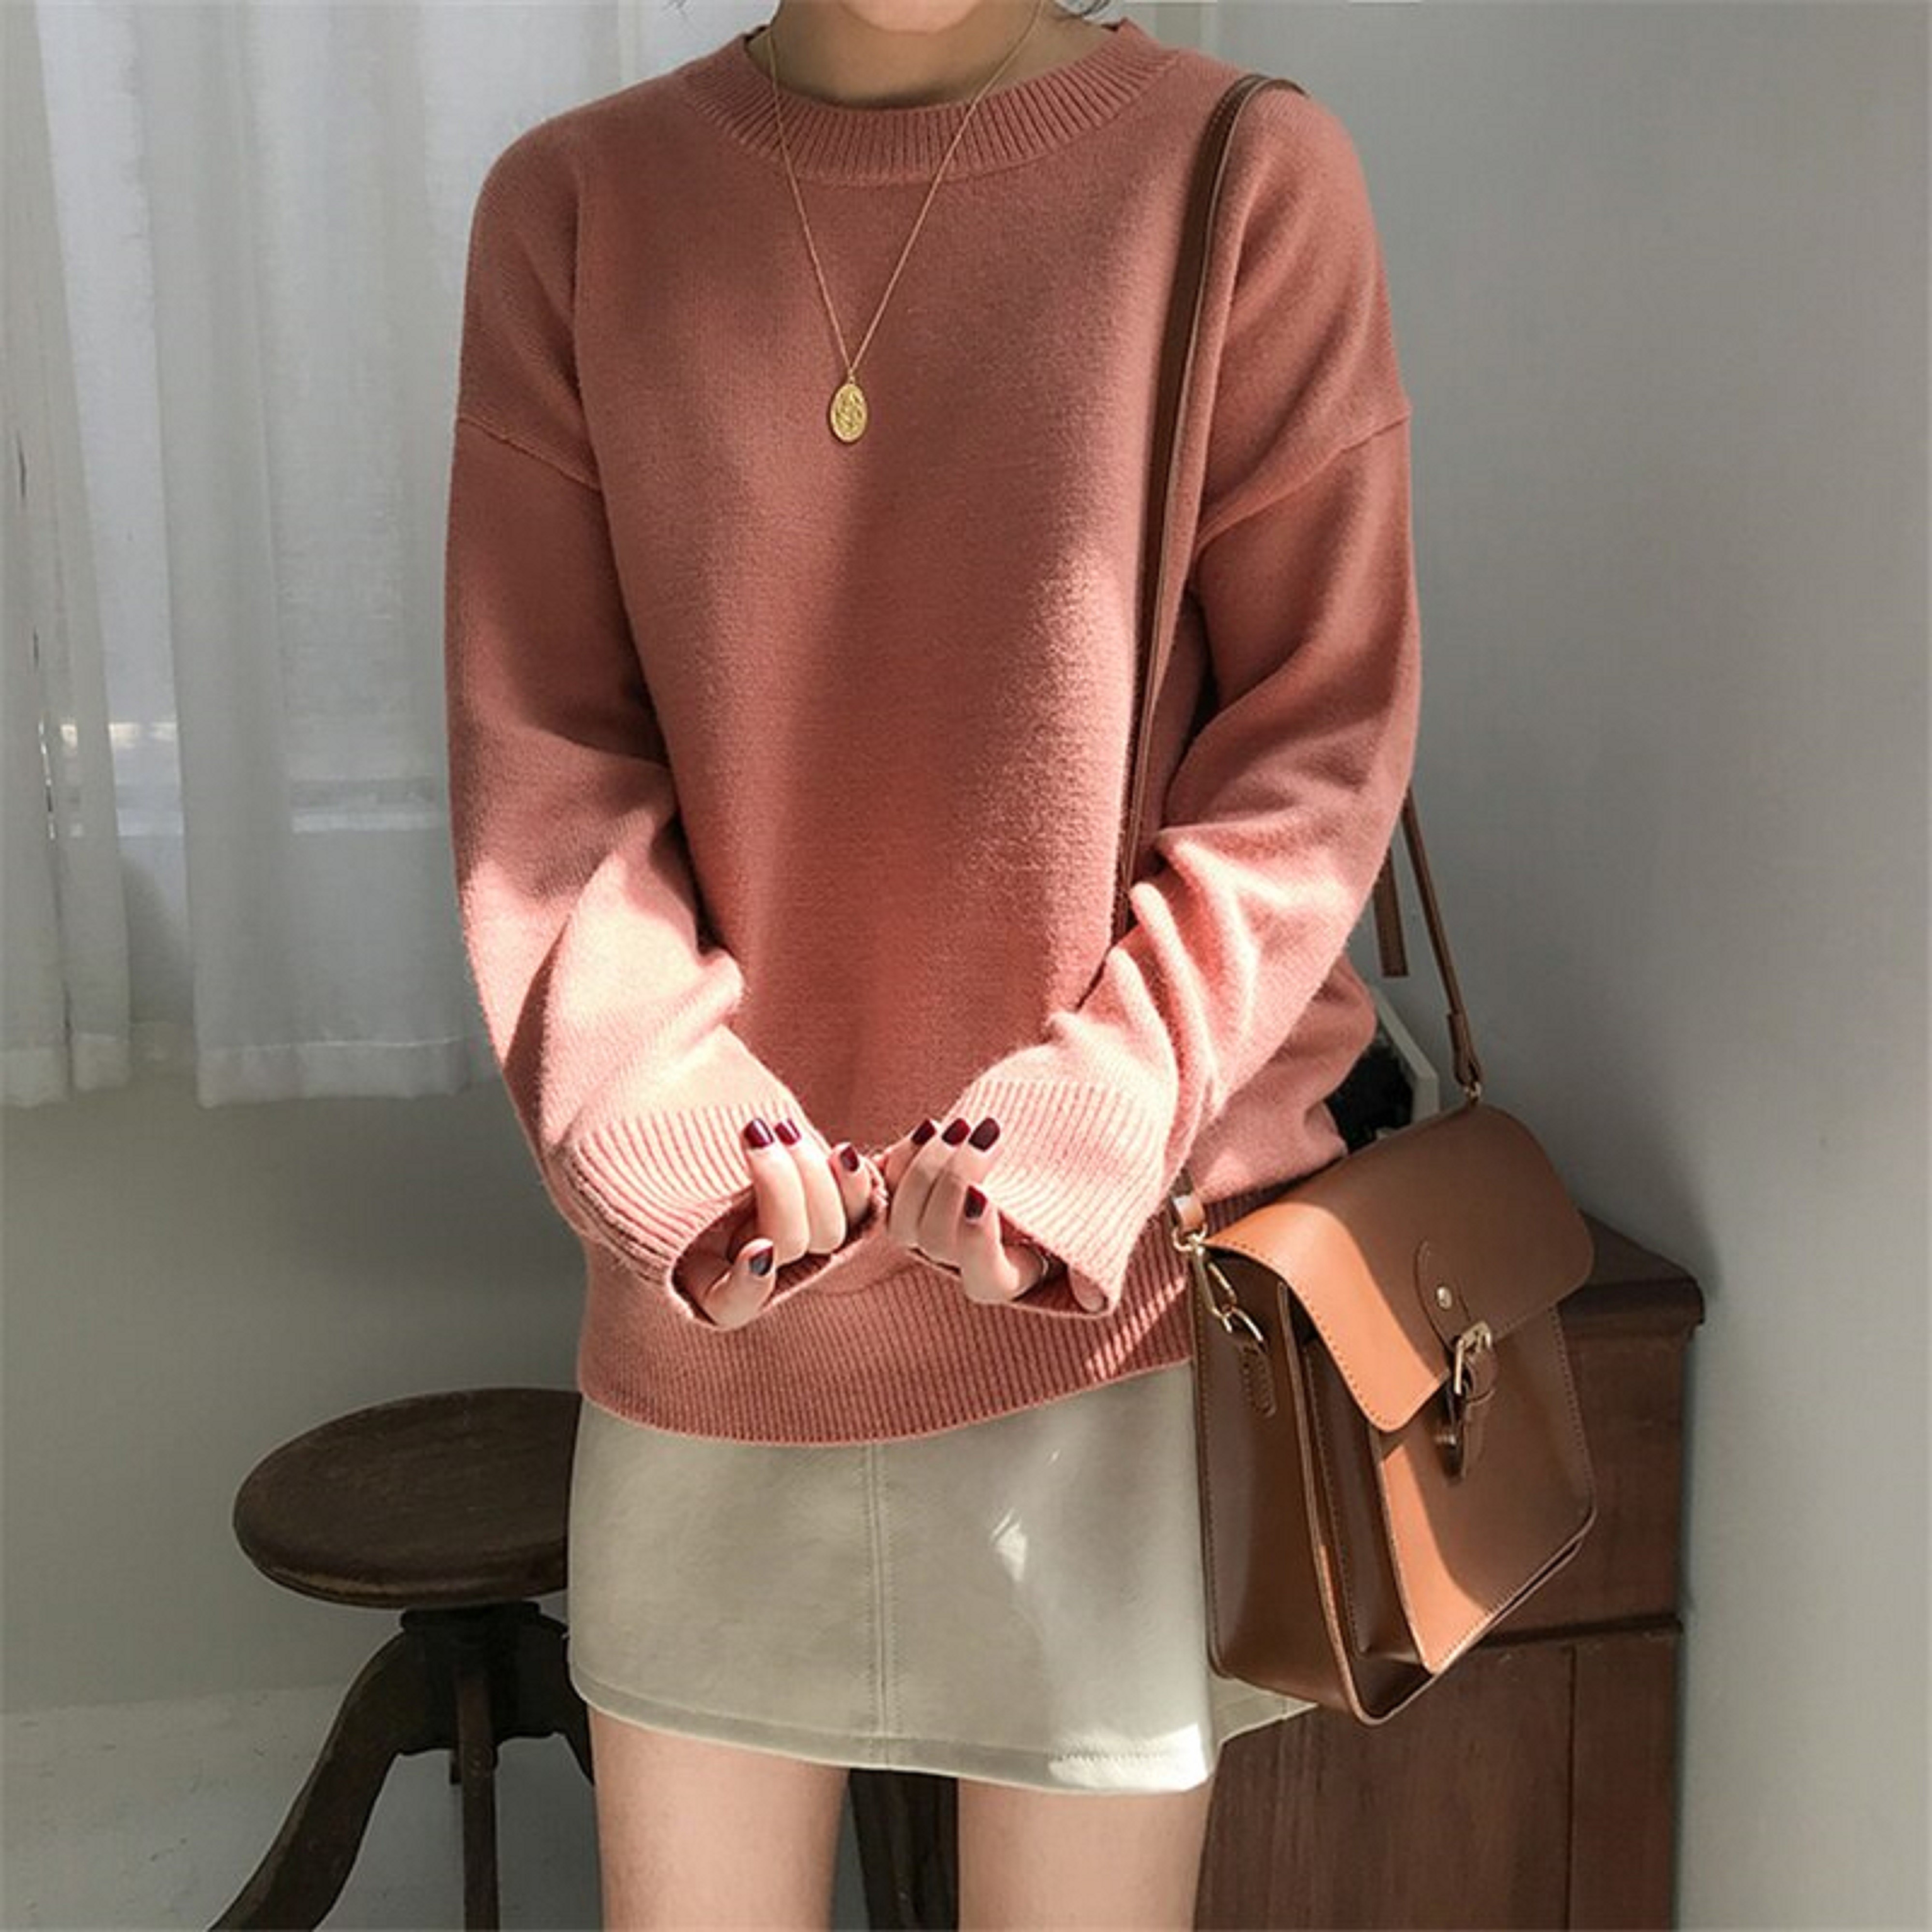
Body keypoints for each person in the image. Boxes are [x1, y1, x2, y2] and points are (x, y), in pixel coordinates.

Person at [441, 0, 1421, 1921]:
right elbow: (546, 774)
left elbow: (1310, 755)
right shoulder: (575, 210)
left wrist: (1085, 1122)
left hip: (1108, 1308)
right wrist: (679, 1143)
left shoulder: (1238, 178)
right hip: (715, 1313)